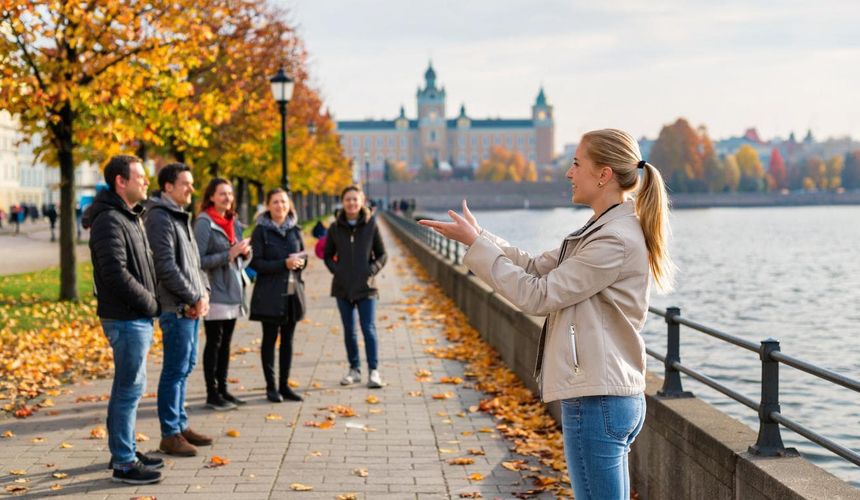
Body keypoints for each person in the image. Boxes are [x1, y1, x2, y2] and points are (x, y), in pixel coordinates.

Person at [419, 128, 674, 500]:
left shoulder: (613, 239)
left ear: (603, 174)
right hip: (606, 394)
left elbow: (538, 295)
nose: (569, 173)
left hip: (598, 399)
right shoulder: (604, 229)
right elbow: (536, 266)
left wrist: (476, 246)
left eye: (576, 164)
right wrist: (479, 237)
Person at [86, 154, 163, 484]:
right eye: (140, 176)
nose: (146, 181)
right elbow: (114, 273)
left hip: (136, 316)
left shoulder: (129, 216)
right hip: (126, 317)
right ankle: (123, 462)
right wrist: (150, 303)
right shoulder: (109, 220)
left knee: (132, 387)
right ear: (121, 181)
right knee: (128, 389)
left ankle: (127, 449)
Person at [143, 163, 212, 457]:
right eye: (186, 183)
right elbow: (166, 266)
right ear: (168, 186)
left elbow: (195, 264)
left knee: (186, 367)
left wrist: (204, 293)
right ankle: (169, 433)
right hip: (176, 307)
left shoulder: (180, 216)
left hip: (191, 306)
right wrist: (193, 296)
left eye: (192, 183)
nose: (191, 189)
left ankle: (180, 425)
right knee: (174, 370)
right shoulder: (160, 218)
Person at [193, 178, 252, 411]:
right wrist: (229, 254)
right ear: (211, 197)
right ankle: (212, 392)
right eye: (222, 194)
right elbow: (197, 260)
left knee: (226, 343)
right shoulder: (204, 223)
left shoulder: (233, 221)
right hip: (214, 290)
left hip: (233, 289)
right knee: (214, 342)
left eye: (229, 194)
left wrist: (244, 253)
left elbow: (241, 258)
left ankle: (224, 388)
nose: (227, 198)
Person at [323, 185, 387, 389]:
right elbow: (327, 255)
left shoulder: (371, 225)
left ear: (362, 202)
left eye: (355, 199)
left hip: (366, 286)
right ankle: (354, 369)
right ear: (343, 202)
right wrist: (337, 270)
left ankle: (374, 371)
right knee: (349, 330)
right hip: (342, 287)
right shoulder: (334, 227)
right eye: (348, 199)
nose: (351, 203)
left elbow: (382, 254)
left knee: (368, 328)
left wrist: (372, 269)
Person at [249, 188, 307, 403]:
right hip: (269, 294)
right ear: (268, 206)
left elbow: (303, 256)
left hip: (292, 293)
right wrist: (283, 264)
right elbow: (256, 263)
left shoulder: (295, 229)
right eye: (275, 202)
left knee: (288, 341)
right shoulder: (261, 231)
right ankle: (271, 387)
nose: (280, 206)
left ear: (289, 204)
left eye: (283, 202)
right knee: (269, 339)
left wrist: (300, 262)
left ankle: (285, 385)